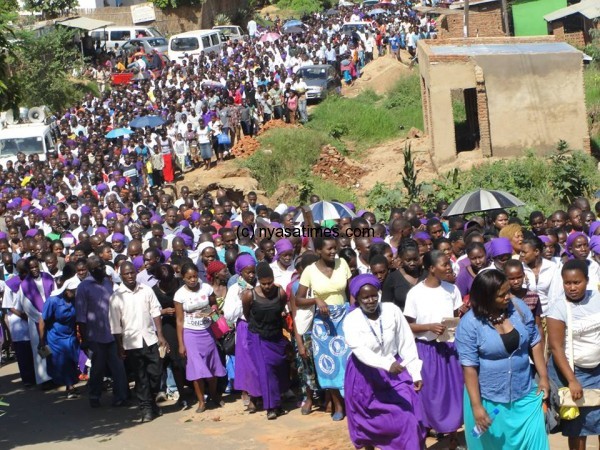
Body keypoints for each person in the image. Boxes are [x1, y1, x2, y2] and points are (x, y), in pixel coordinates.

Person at [456, 269, 549, 450]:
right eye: (502, 294)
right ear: (486, 297)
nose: (508, 297)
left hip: (524, 392)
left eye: (508, 291)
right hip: (489, 399)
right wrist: (476, 407)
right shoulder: (470, 324)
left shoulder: (519, 309)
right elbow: (469, 368)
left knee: (536, 443)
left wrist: (543, 377)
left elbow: (535, 342)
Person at [344, 274, 426, 450]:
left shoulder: (392, 310)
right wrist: (386, 364)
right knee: (369, 420)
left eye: (374, 295)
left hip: (395, 373)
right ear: (357, 298)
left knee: (408, 415)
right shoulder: (352, 320)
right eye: (365, 297)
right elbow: (360, 350)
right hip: (364, 376)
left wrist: (415, 372)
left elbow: (406, 342)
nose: (371, 300)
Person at [404, 250, 464, 449]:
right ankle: (425, 434)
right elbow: (407, 326)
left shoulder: (452, 290)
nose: (449, 267)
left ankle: (453, 435)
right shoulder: (415, 293)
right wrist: (429, 327)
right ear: (431, 268)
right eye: (444, 264)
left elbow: (456, 319)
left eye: (449, 263)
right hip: (427, 350)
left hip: (449, 348)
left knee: (453, 391)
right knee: (430, 395)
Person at [296, 235, 352, 421]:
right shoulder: (310, 271)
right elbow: (298, 299)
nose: (333, 251)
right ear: (319, 251)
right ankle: (337, 405)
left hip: (344, 319)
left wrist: (352, 310)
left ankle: (352, 403)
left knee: (348, 362)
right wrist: (315, 300)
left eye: (334, 248)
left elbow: (351, 291)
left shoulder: (342, 263)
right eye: (329, 249)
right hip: (323, 323)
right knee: (330, 366)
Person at [547, 259, 600, 450]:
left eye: (577, 282)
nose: (572, 287)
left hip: (598, 369)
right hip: (575, 371)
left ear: (587, 280)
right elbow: (556, 347)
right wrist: (572, 380)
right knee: (578, 427)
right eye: (567, 283)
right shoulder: (558, 308)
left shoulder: (597, 298)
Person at [109, 262, 169, 422]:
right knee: (141, 376)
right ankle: (146, 409)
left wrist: (161, 336)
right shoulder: (116, 297)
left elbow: (155, 312)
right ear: (121, 276)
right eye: (126, 274)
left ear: (136, 273)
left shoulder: (146, 290)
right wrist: (119, 346)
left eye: (132, 273)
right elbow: (115, 325)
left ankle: (152, 399)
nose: (130, 276)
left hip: (150, 339)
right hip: (131, 343)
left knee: (156, 373)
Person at [75, 255, 128, 408]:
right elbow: (81, 316)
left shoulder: (107, 282)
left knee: (118, 366)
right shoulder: (84, 287)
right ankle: (94, 395)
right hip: (95, 336)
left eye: (102, 267)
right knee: (97, 369)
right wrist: (85, 340)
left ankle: (121, 396)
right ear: (91, 270)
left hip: (112, 333)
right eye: (98, 268)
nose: (102, 270)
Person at [241, 262, 289, 420]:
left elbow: (281, 309)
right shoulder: (249, 295)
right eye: (264, 283)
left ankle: (279, 400)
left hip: (276, 336)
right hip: (258, 337)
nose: (267, 286)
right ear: (258, 281)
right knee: (266, 371)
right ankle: (271, 407)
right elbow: (247, 315)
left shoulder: (280, 293)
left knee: (279, 367)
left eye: (270, 283)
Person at [174, 263, 225, 413]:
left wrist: (211, 312)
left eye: (195, 276)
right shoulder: (179, 295)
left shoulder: (206, 289)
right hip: (190, 333)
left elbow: (215, 306)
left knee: (212, 365)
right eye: (189, 277)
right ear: (183, 278)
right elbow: (179, 320)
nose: (192, 280)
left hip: (207, 331)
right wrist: (181, 344)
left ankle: (214, 395)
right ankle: (201, 401)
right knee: (197, 370)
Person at [223, 253, 261, 411]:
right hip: (245, 327)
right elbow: (229, 315)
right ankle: (251, 395)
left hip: (260, 326)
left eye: (253, 272)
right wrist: (242, 300)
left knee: (260, 361)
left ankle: (263, 394)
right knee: (248, 363)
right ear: (240, 272)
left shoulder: (261, 284)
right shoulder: (234, 289)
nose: (251, 275)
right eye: (248, 272)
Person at [38, 276, 81, 399]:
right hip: (56, 338)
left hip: (70, 336)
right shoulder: (53, 301)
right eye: (73, 290)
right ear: (66, 290)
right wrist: (42, 341)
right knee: (64, 361)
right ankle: (70, 387)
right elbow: (42, 321)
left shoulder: (74, 300)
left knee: (73, 360)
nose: (75, 292)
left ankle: (70, 384)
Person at [152, 264, 186, 406]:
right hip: (167, 325)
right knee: (175, 360)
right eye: (165, 282)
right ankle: (182, 394)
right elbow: (151, 311)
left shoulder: (181, 284)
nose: (168, 283)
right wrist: (163, 311)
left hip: (186, 320)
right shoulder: (154, 290)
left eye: (170, 280)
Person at [381, 239, 426, 311]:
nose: (412, 263)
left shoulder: (427, 275)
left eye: (415, 259)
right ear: (400, 258)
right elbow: (386, 306)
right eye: (408, 260)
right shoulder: (392, 278)